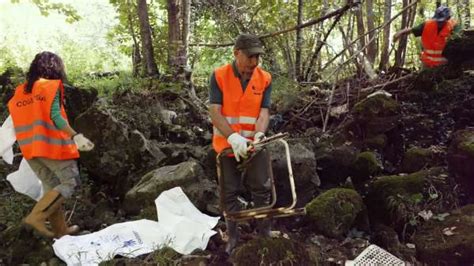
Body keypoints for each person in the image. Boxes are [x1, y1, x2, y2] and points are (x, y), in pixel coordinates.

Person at [7, 51, 94, 238]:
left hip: (29, 150)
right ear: (56, 68)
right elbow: (55, 116)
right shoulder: (50, 87)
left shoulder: (21, 91)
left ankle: (61, 232)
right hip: (50, 147)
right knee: (71, 181)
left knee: (51, 186)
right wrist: (76, 136)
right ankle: (36, 217)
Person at [209, 34, 273, 254]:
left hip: (255, 146)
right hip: (227, 146)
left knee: (262, 190)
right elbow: (215, 113)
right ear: (237, 53)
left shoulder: (265, 78)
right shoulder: (219, 76)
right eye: (250, 56)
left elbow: (264, 113)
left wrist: (259, 135)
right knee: (229, 193)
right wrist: (233, 138)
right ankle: (233, 239)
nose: (254, 63)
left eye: (258, 57)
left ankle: (264, 236)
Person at [393, 5, 461, 68]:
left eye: (441, 21)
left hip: (444, 66)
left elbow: (459, 45)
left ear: (447, 18)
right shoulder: (427, 25)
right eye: (437, 21)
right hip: (427, 64)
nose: (439, 23)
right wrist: (400, 32)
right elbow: (413, 30)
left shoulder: (454, 27)